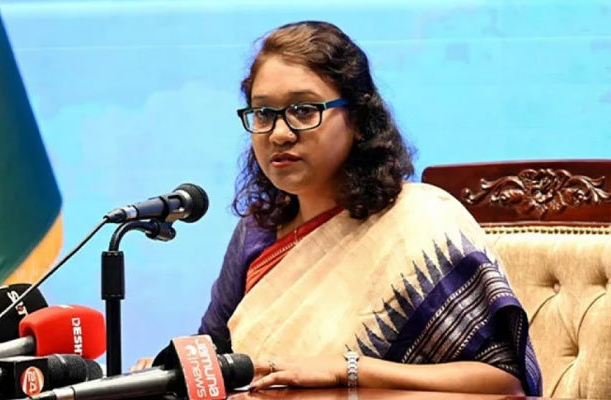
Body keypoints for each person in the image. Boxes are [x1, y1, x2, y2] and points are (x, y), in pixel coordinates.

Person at [133, 21, 542, 396]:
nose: (279, 133)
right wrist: (166, 373)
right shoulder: (256, 230)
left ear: (359, 120)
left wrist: (349, 369)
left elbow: (504, 383)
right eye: (263, 113)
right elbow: (217, 358)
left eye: (303, 110)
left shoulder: (422, 221)